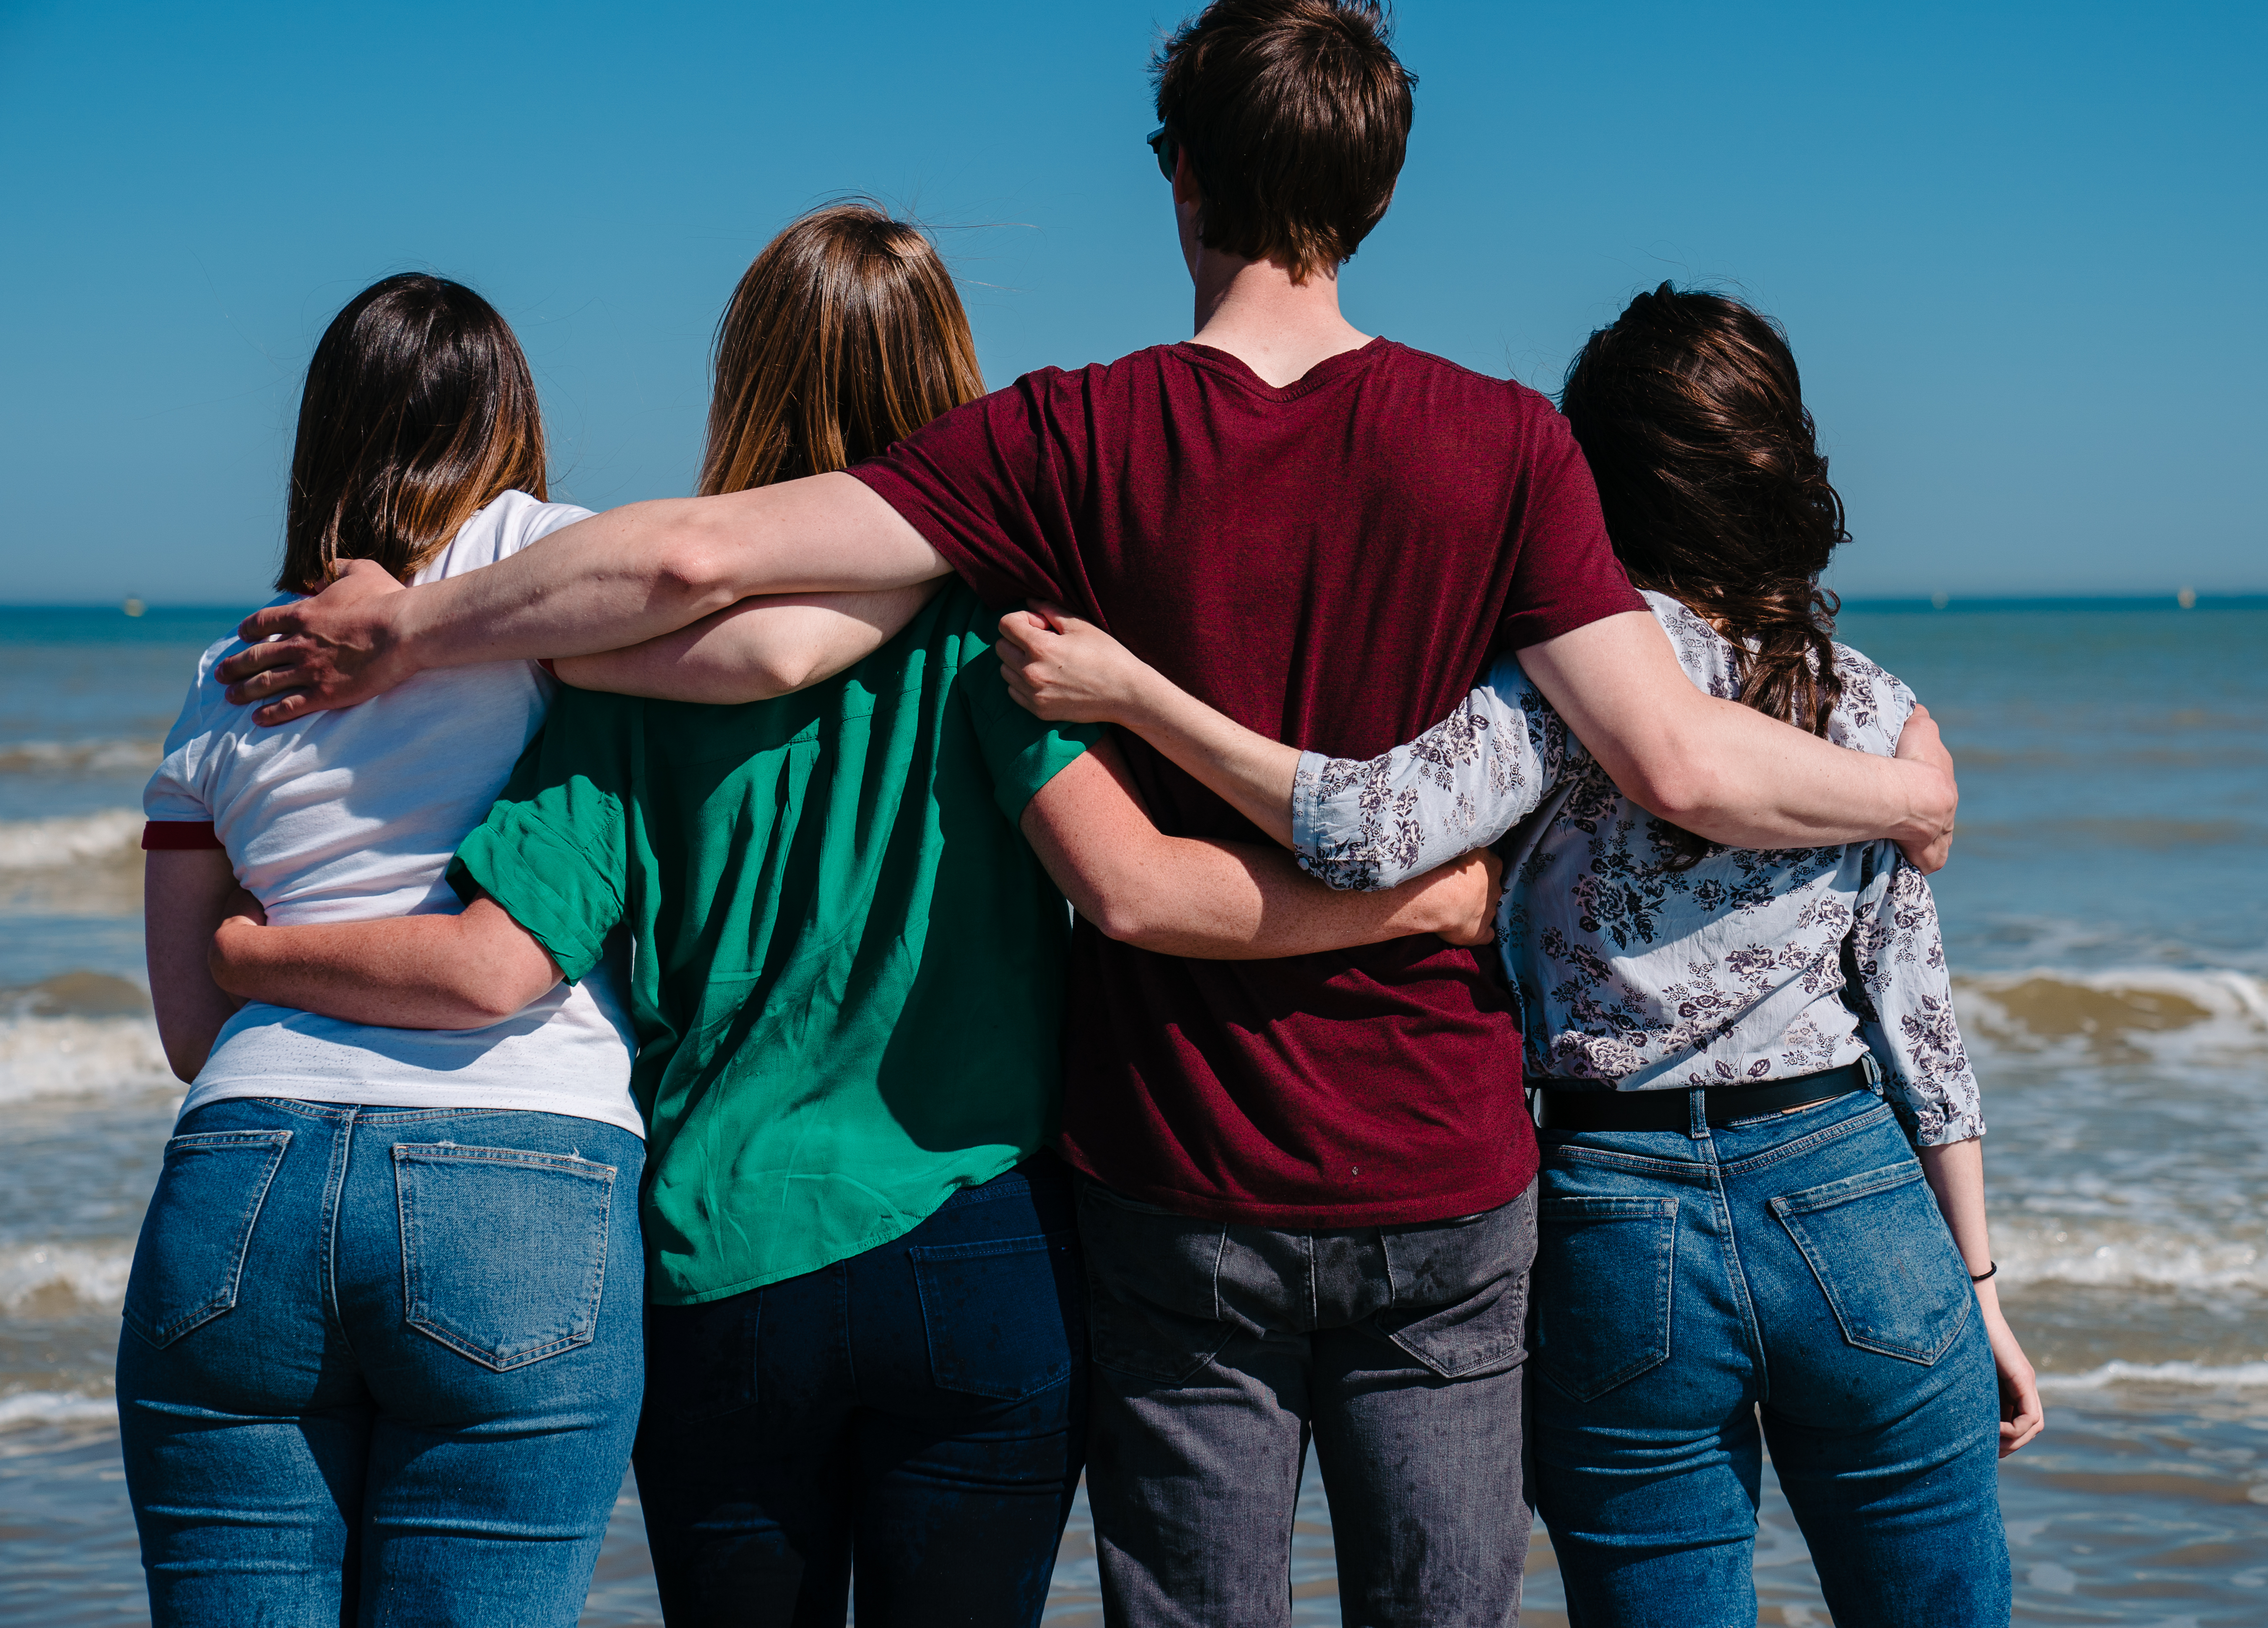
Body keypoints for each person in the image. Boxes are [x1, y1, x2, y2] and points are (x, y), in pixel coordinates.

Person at [208, 4, 1958, 1617]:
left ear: (1181, 174)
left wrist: (410, 621)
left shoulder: (1067, 440)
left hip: (1169, 1173)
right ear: (1377, 190)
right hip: (1438, 1163)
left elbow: (704, 564)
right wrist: (1910, 788)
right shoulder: (1509, 444)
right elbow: (1677, 759)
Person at [206, 203, 1505, 1628]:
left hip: (722, 1258)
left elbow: (515, 945)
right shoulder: (1013, 639)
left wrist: (254, 945)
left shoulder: (628, 676)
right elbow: (1135, 887)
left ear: (742, 380)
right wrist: (1416, 900)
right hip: (979, 1239)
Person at [992, 284, 2044, 1626]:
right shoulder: (1876, 709)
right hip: (1857, 1196)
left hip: (1618, 1213)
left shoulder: (1553, 687)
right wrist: (1979, 1285)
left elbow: (1362, 825)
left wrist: (1140, 697)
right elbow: (1924, 1031)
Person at [125, 273, 643, 1627]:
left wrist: (253, 950)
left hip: (242, 1178)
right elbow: (696, 590)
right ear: (505, 422)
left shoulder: (222, 672)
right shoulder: (543, 561)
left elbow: (191, 1028)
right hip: (519, 1157)